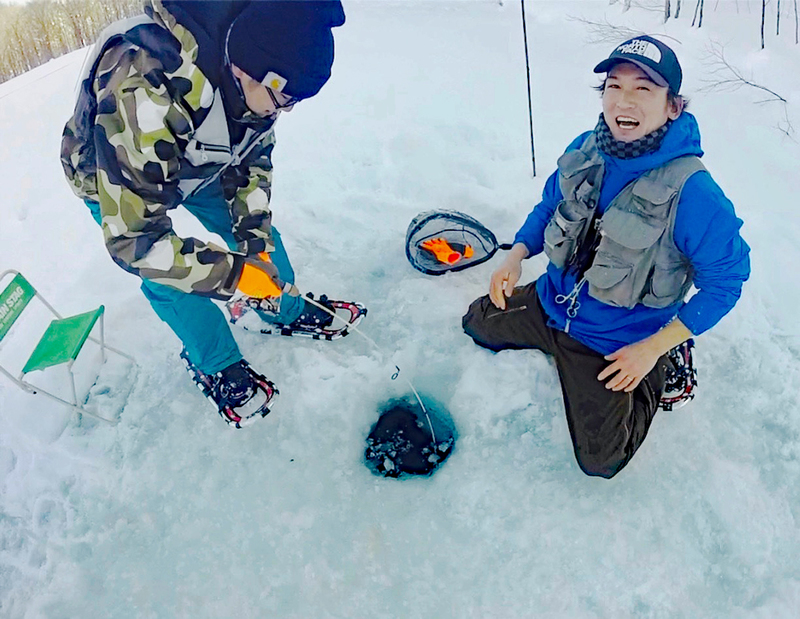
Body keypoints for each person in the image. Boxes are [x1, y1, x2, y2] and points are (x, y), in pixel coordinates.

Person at [463, 36, 750, 478]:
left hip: (621, 339)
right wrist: (517, 254)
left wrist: (652, 348)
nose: (624, 102)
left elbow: (727, 282)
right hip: (552, 301)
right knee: (476, 323)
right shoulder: (587, 146)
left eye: (643, 89)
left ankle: (666, 365)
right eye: (613, 87)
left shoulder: (696, 194)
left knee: (602, 460)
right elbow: (549, 206)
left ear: (672, 106)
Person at [60, 0, 349, 428]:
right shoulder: (144, 85)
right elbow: (137, 241)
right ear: (250, 70)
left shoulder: (259, 70)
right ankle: (216, 361)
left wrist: (255, 249)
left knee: (259, 247)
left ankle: (283, 307)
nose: (282, 111)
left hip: (202, 155)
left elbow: (252, 162)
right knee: (167, 273)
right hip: (118, 174)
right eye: (282, 99)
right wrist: (233, 276)